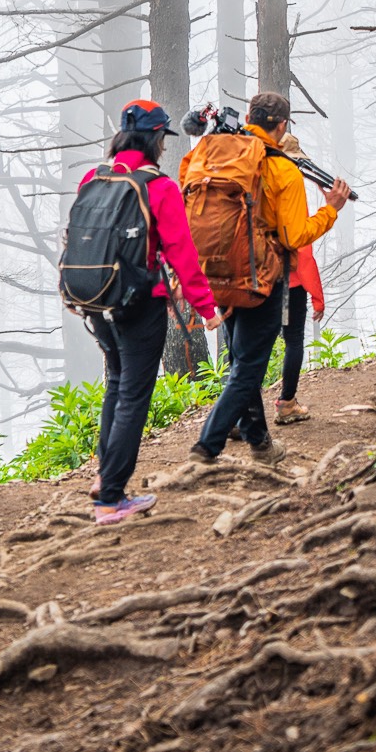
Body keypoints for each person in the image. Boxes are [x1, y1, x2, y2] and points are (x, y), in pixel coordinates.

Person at [183, 91, 348, 470]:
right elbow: (293, 237)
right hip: (261, 278)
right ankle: (208, 444)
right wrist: (330, 211)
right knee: (250, 366)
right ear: (283, 126)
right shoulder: (283, 169)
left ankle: (259, 441)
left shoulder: (209, 155)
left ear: (249, 117)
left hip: (216, 269)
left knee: (241, 358)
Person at [78, 100, 223, 526]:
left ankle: (105, 473)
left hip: (96, 300)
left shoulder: (94, 177)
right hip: (140, 304)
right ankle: (110, 498)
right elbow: (182, 253)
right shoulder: (158, 188)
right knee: (133, 397)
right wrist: (207, 309)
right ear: (156, 139)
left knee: (117, 384)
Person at [276, 244, 324, 425]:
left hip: (259, 284)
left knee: (256, 347)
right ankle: (287, 403)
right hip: (290, 286)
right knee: (294, 340)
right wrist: (317, 298)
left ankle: (243, 410)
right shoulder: (292, 214)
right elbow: (303, 255)